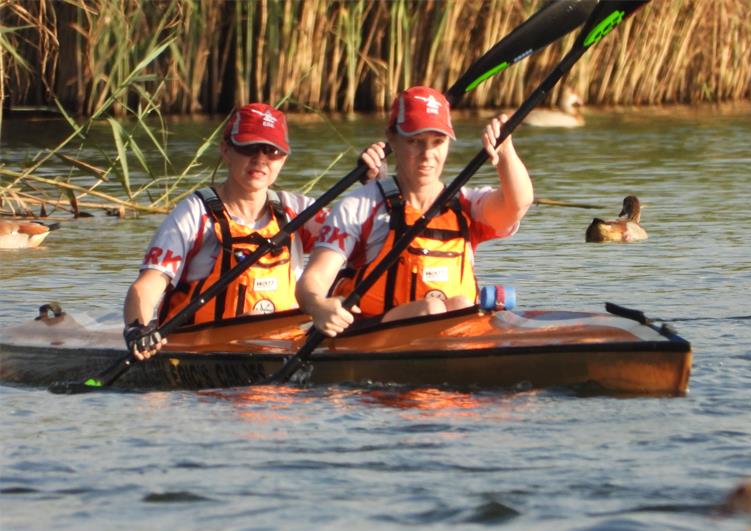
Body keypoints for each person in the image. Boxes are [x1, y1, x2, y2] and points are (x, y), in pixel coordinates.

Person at [122, 102, 383, 360]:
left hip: (285, 350)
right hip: (203, 353)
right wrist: (139, 329)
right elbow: (147, 286)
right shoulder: (195, 215)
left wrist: (374, 185)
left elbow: (371, 246)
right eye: (249, 148)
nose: (260, 160)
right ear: (226, 150)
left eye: (271, 151)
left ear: (284, 159)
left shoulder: (297, 211)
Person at [296, 85, 533, 338]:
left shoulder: (466, 204)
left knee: (462, 305)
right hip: (371, 336)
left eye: (438, 142)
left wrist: (505, 149)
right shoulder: (360, 206)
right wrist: (318, 305)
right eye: (414, 141)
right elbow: (313, 280)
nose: (427, 155)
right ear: (393, 139)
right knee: (431, 309)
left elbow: (517, 205)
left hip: (454, 332)